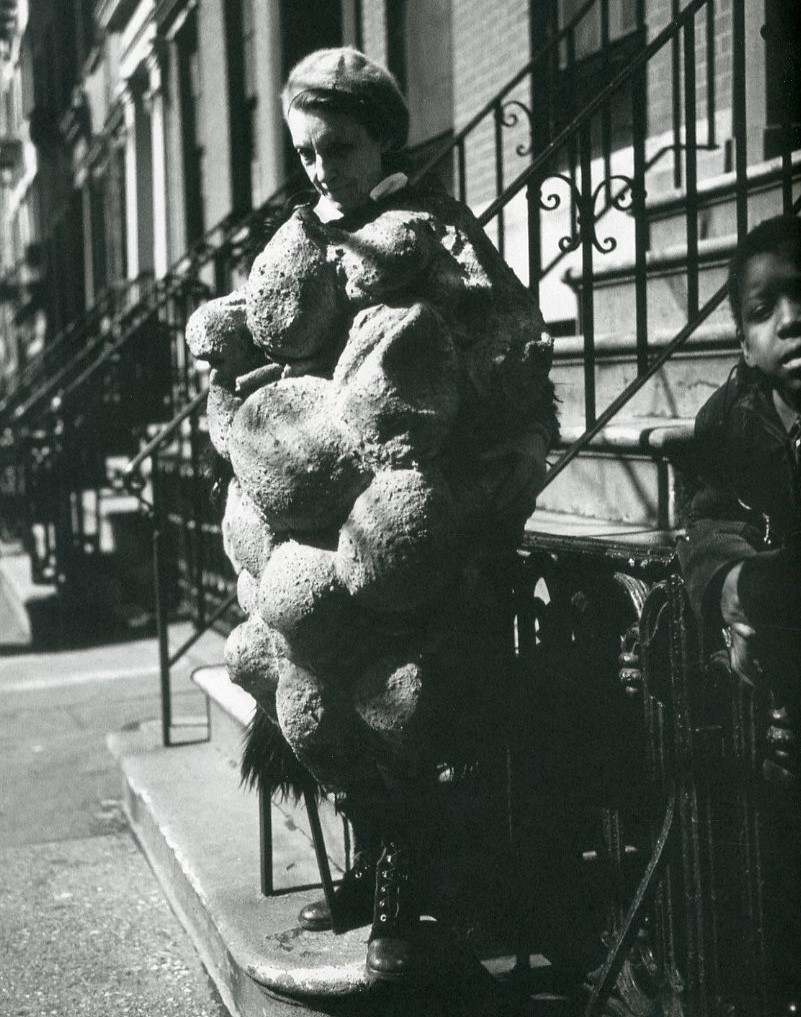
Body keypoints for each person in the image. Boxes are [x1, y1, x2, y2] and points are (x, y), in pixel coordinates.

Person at [187, 47, 557, 983]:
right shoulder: (307, 232)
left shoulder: (432, 227)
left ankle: (412, 883)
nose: (320, 168)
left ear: (381, 136)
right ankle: (366, 858)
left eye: (337, 147)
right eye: (305, 151)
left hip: (419, 515)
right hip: (316, 515)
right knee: (312, 688)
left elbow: (494, 344)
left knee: (405, 692)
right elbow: (279, 332)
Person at [678, 214, 800, 783]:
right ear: (745, 346)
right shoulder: (731, 421)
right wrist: (731, 586)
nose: (791, 320)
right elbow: (707, 517)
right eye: (763, 311)